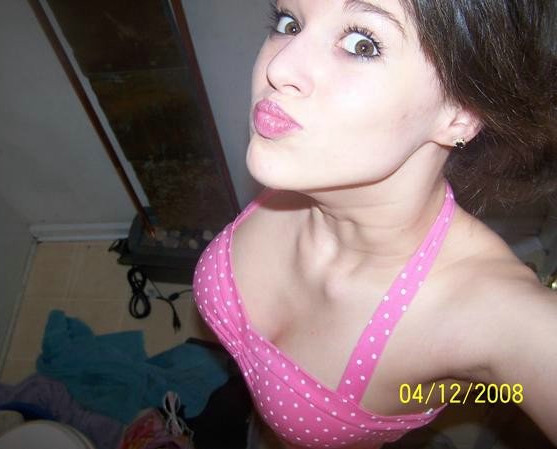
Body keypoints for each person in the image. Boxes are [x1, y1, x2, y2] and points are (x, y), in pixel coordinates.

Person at [192, 1, 557, 448]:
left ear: (460, 114)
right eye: (289, 23)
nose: (279, 67)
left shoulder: (492, 311)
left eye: (361, 44)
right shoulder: (308, 165)